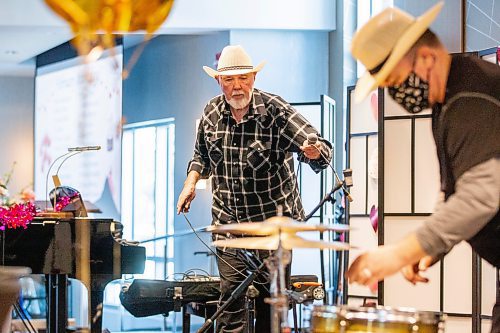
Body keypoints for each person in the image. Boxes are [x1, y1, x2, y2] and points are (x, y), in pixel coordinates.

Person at [346, 2, 500, 332]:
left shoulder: (471, 99)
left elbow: (483, 193)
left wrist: (401, 252)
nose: (398, 94)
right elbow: (455, 190)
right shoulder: (452, 96)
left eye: (397, 81)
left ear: (427, 58)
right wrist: (431, 247)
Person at [176, 45, 333, 333]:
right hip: (229, 223)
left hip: (273, 227)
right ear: (218, 82)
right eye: (229, 80)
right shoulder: (211, 111)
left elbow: (315, 141)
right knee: (231, 299)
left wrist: (313, 149)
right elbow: (200, 155)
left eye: (244, 78)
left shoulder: (275, 110)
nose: (237, 87)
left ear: (253, 78)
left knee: (270, 303)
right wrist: (190, 183)